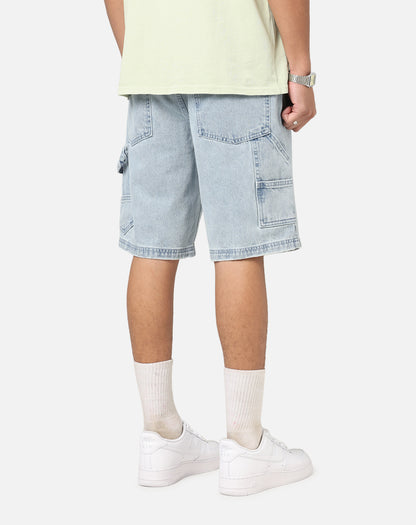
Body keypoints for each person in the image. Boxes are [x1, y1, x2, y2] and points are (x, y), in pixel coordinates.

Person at [104, 0, 317, 496]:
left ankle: (161, 435)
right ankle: (245, 444)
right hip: (236, 64)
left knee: (152, 247)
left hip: (153, 71)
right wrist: (302, 72)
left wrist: (144, 55)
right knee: (238, 247)